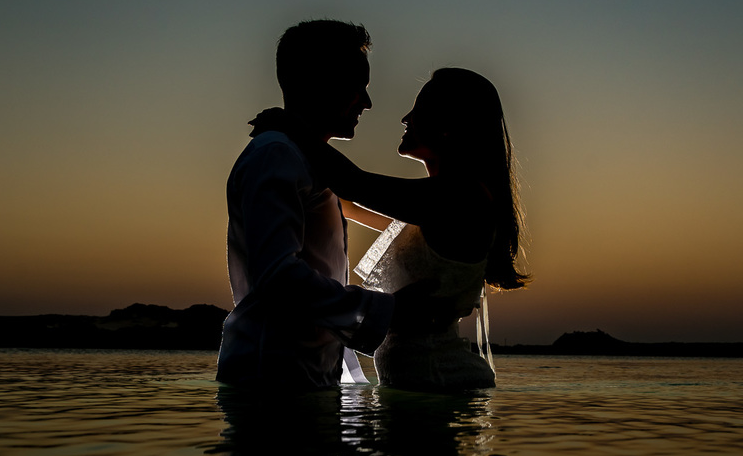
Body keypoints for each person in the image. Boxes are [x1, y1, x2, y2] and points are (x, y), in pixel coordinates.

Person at [217, 20, 437, 391]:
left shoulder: (307, 163)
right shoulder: (276, 156)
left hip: (302, 378)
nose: (367, 103)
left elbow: (363, 200)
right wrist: (391, 311)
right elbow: (277, 278)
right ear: (319, 82)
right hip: (272, 382)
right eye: (358, 87)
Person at [314, 67, 529, 391]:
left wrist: (294, 131)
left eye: (418, 109)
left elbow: (354, 184)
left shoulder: (462, 197)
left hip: (439, 382)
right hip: (428, 385)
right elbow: (351, 205)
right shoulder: (437, 205)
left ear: (448, 125)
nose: (405, 118)